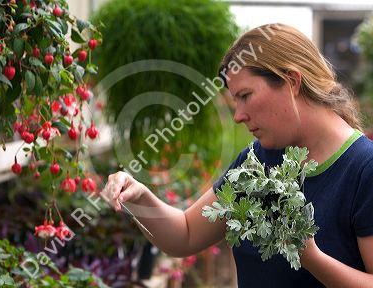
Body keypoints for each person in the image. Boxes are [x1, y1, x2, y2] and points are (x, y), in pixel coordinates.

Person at [101, 23, 373, 287]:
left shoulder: (364, 169)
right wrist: (138, 197)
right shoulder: (259, 160)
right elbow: (185, 235)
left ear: (291, 81)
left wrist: (311, 258)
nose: (238, 116)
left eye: (245, 95)